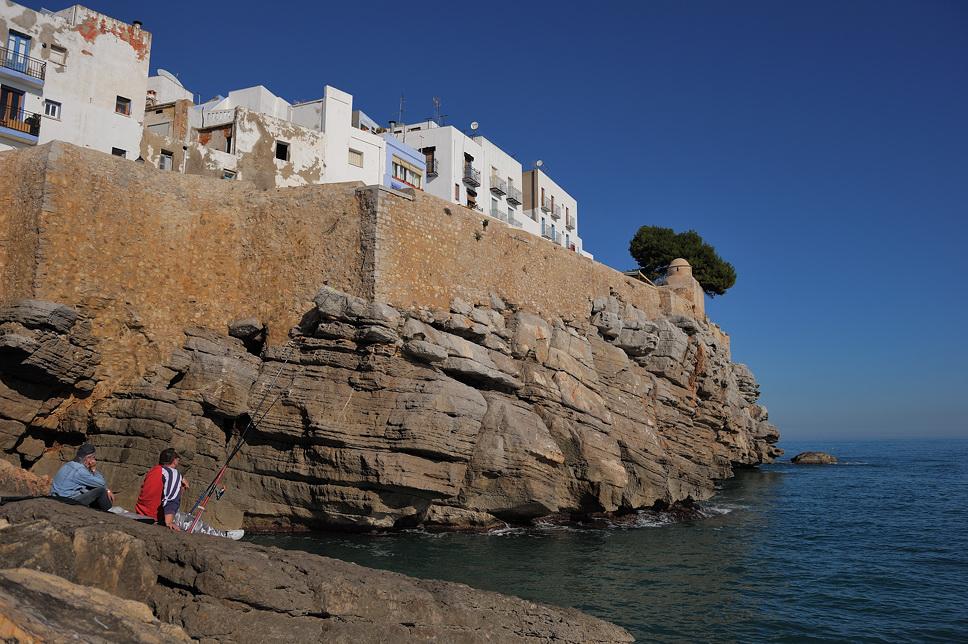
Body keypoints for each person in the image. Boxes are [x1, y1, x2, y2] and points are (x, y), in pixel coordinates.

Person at [50, 443, 114, 510]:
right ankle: (109, 510)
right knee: (101, 490)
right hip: (67, 501)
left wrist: (107, 489)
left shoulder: (68, 464)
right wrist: (93, 469)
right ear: (88, 457)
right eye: (93, 457)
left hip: (56, 497)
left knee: (90, 488)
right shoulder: (80, 470)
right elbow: (101, 483)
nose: (94, 460)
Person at [135, 448, 188, 529]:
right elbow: (171, 497)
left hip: (140, 514)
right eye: (178, 459)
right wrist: (169, 522)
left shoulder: (154, 470)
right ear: (174, 461)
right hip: (153, 519)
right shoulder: (173, 473)